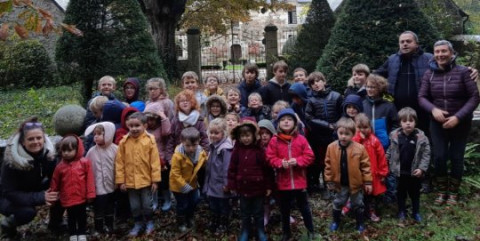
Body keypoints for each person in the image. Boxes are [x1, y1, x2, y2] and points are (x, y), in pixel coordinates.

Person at [375, 31, 478, 133]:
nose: (405, 44)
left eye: (408, 41)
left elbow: (449, 67)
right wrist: (362, 76)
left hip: (423, 110)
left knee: (424, 140)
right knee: (399, 139)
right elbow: (377, 75)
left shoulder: (428, 58)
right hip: (397, 109)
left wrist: (469, 70)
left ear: (416, 44)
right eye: (402, 42)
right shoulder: (392, 59)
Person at [418, 40, 480, 205]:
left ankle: (453, 191)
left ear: (452, 53)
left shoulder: (464, 72)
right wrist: (433, 110)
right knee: (439, 157)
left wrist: (458, 117)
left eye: (444, 51)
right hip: (437, 123)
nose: (440, 55)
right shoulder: (428, 74)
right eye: (437, 51)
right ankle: (441, 190)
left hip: (460, 122)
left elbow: (474, 97)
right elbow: (422, 97)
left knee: (456, 157)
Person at [0, 117, 64, 238]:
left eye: (39, 138)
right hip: (7, 196)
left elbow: (55, 177)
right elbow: (9, 192)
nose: (36, 142)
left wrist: (53, 192)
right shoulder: (11, 161)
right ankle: (8, 224)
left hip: (32, 186)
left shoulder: (48, 154)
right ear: (23, 142)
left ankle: (56, 223)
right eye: (31, 139)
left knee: (60, 191)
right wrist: (40, 197)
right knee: (28, 212)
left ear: (44, 138)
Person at [266, 108, 315, 240]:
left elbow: (310, 156)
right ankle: (286, 233)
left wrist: (298, 161)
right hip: (283, 182)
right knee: (284, 209)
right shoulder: (274, 141)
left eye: (289, 120)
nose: (286, 122)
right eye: (283, 120)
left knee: (304, 207)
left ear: (294, 123)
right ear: (278, 124)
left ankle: (310, 230)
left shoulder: (301, 139)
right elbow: (270, 158)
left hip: (300, 181)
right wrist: (280, 163)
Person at [115, 112, 161, 237]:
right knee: (134, 205)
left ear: (144, 126)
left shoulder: (149, 140)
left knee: (147, 204)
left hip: (146, 180)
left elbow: (155, 162)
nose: (134, 129)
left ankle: (149, 221)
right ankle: (138, 223)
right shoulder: (123, 142)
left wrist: (155, 180)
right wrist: (121, 181)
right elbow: (120, 163)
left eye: (137, 125)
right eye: (131, 126)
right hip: (130, 182)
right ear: (127, 126)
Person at [227, 118, 273, 241]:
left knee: (258, 212)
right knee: (245, 212)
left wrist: (268, 186)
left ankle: (260, 230)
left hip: (258, 187)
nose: (245, 138)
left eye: (248, 135)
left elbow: (267, 170)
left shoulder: (259, 151)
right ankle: (245, 230)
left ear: (254, 136)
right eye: (242, 136)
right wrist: (231, 185)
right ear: (239, 137)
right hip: (243, 187)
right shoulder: (237, 151)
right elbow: (232, 169)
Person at [324, 117, 372, 233]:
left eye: (347, 134)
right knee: (338, 202)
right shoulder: (331, 147)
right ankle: (336, 221)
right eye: (341, 133)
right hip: (340, 184)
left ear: (353, 134)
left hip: (356, 184)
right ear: (337, 133)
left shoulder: (360, 148)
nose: (343, 136)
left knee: (357, 203)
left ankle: (360, 223)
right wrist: (329, 180)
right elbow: (328, 165)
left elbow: (366, 166)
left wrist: (368, 182)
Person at [386, 107, 430, 222]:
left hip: (415, 172)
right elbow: (390, 150)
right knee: (401, 193)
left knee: (415, 193)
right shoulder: (395, 136)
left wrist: (422, 168)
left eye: (411, 121)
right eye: (405, 121)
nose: (408, 123)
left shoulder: (421, 138)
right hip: (400, 172)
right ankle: (401, 211)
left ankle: (416, 212)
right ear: (400, 123)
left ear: (415, 122)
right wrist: (387, 160)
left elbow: (426, 154)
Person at [305, 71, 343, 197]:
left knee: (335, 161)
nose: (316, 84)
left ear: (324, 81)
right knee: (322, 161)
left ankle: (337, 186)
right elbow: (309, 117)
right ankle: (326, 186)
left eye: (318, 81)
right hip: (319, 136)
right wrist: (327, 125)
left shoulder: (336, 96)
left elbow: (343, 113)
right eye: (312, 83)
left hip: (335, 135)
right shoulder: (311, 100)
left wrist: (337, 125)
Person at [50, 135, 95, 241]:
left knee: (82, 216)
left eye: (69, 150)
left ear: (77, 149)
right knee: (71, 216)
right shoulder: (60, 166)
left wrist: (91, 194)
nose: (66, 153)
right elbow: (55, 181)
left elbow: (89, 179)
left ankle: (82, 232)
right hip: (68, 197)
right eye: (64, 150)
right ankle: (73, 233)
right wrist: (53, 194)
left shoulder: (84, 163)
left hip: (81, 196)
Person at [169, 127, 208, 232]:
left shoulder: (200, 152)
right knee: (183, 204)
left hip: (193, 183)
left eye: (194, 145)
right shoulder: (177, 156)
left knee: (194, 201)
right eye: (188, 146)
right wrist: (184, 186)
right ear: (182, 142)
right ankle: (181, 221)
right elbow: (175, 173)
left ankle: (189, 217)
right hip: (178, 185)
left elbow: (204, 161)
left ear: (198, 142)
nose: (191, 148)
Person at [352, 113, 388, 222]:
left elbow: (381, 157)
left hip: (373, 173)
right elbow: (352, 150)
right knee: (359, 194)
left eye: (365, 127)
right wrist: (359, 138)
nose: (363, 130)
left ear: (370, 127)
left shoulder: (374, 140)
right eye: (359, 128)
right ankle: (358, 211)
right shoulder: (353, 140)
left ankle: (371, 212)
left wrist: (383, 173)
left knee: (372, 195)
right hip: (358, 174)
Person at [84, 122, 118, 235]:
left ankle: (109, 225)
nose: (96, 136)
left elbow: (120, 166)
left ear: (108, 134)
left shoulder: (115, 150)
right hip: (98, 187)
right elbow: (86, 169)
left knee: (110, 207)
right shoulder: (91, 152)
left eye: (99, 134)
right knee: (99, 208)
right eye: (94, 134)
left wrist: (119, 181)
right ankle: (99, 227)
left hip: (112, 185)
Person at [203, 118, 233, 234]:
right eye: (211, 133)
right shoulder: (213, 146)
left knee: (223, 205)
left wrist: (227, 184)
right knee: (213, 204)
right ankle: (215, 220)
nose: (213, 135)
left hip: (221, 183)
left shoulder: (225, 148)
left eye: (216, 133)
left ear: (223, 133)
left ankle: (223, 223)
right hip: (212, 181)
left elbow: (227, 168)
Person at [165, 90, 209, 164]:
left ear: (193, 102)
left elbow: (204, 138)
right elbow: (170, 140)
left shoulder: (199, 119)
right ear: (178, 104)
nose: (185, 102)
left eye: (187, 100)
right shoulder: (176, 120)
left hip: (196, 156)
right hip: (179, 156)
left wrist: (205, 155)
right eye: (182, 101)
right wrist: (170, 158)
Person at [144, 102, 172, 212]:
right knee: (152, 182)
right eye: (148, 120)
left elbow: (167, 131)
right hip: (149, 160)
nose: (150, 122)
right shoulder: (145, 130)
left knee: (164, 182)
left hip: (162, 159)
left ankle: (167, 200)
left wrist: (163, 117)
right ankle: (154, 201)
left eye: (152, 119)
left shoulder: (161, 129)